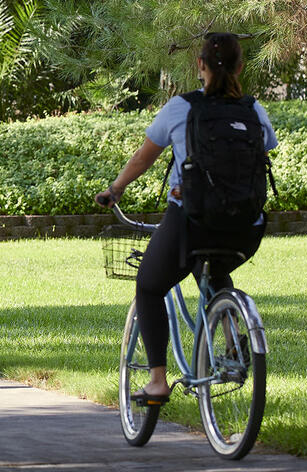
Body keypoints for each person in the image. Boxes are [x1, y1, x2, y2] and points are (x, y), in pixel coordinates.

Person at [95, 33, 277, 406]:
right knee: (214, 264)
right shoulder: (253, 110)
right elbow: (265, 150)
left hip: (192, 222)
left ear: (200, 65)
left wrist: (115, 189)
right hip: (247, 228)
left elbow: (143, 158)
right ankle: (231, 336)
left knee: (149, 286)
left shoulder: (181, 107)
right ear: (240, 67)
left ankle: (157, 382)